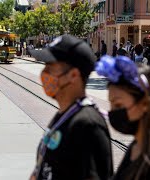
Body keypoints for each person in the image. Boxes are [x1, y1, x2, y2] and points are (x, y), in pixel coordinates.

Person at [29, 35, 113, 180]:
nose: (43, 73)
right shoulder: (64, 114)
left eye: (50, 67)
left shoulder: (87, 124)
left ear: (73, 75)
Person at [96, 55, 150, 180]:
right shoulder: (136, 145)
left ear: (144, 103)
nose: (112, 112)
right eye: (111, 104)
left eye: (118, 105)